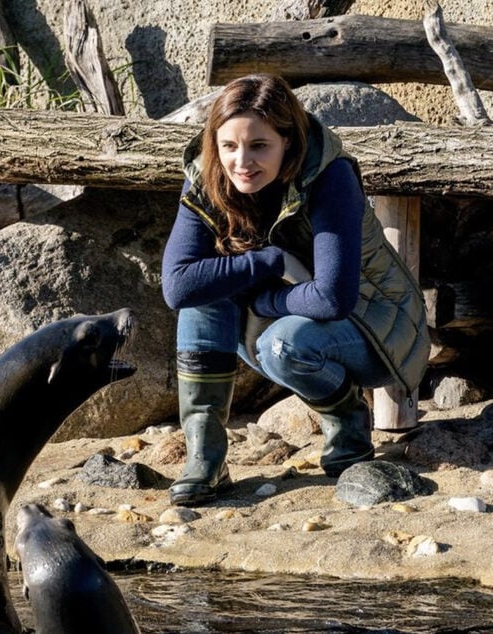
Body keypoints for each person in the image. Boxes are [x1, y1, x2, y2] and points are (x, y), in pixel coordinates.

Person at [161, 74, 429, 506]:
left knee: (282, 345)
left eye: (259, 145)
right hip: (292, 308)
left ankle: (347, 423)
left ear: (287, 140)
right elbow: (177, 286)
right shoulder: (206, 176)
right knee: (201, 296)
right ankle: (205, 457)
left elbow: (332, 297)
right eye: (229, 146)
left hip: (373, 327)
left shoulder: (329, 176)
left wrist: (262, 297)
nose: (241, 161)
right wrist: (268, 262)